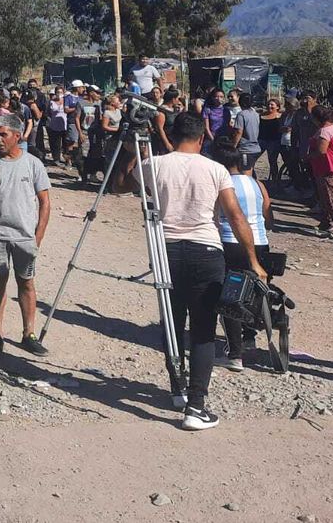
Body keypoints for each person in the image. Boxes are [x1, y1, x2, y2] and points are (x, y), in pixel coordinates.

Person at [114, 113, 268, 431]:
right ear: (201, 139)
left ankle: (176, 390)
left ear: (172, 133)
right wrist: (253, 260)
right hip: (206, 252)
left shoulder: (154, 164)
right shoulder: (215, 169)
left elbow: (120, 186)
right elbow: (236, 216)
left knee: (171, 323)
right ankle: (196, 406)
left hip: (165, 252)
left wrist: (132, 153)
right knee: (202, 330)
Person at [0, 113, 52, 360]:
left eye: (3, 134)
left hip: (25, 236)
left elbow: (45, 202)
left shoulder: (33, 164)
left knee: (26, 282)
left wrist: (38, 237)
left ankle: (29, 335)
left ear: (17, 136)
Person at [210, 136, 274, 372]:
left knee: (230, 297)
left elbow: (216, 215)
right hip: (260, 241)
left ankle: (234, 353)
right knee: (251, 295)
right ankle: (249, 336)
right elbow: (268, 212)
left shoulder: (222, 184)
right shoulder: (256, 183)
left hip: (230, 241)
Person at [308, 105, 333, 237]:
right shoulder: (331, 128)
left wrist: (308, 156)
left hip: (330, 168)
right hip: (324, 168)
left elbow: (321, 150)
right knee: (326, 197)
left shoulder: (325, 131)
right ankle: (328, 221)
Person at [230, 93, 261, 175]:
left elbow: (239, 132)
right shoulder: (256, 114)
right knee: (251, 171)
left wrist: (233, 146)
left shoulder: (241, 114)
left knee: (246, 175)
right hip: (256, 148)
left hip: (246, 149)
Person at [260, 98, 285, 183]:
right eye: (268, 104)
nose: (269, 106)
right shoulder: (261, 115)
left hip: (274, 141)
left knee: (272, 161)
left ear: (277, 107)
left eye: (272, 105)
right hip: (262, 141)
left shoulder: (280, 117)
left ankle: (275, 180)